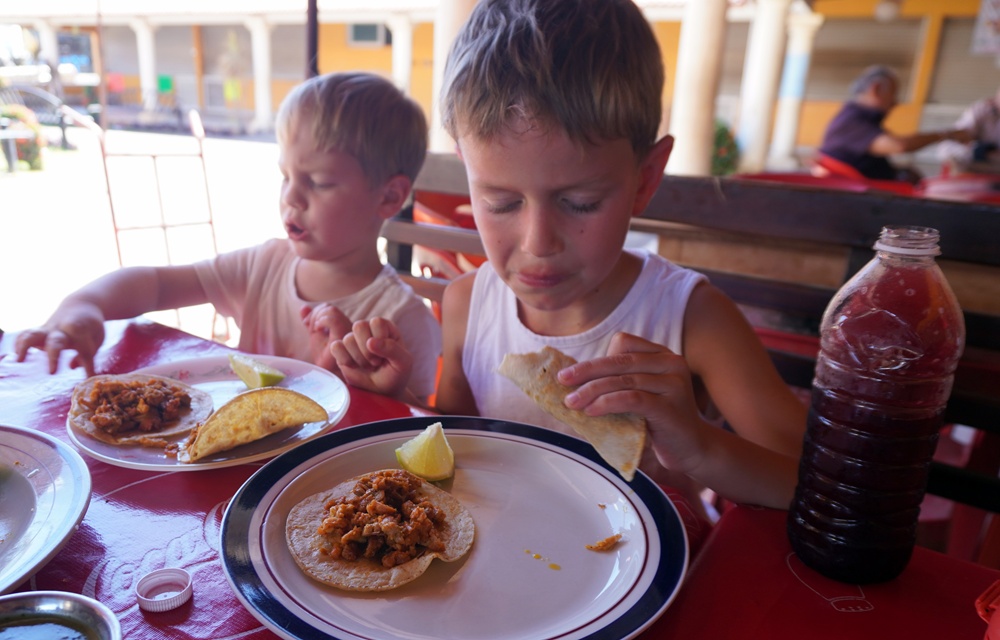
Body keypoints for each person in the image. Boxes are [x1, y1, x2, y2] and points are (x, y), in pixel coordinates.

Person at [329, 0, 808, 515]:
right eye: (501, 202)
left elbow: (821, 489)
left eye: (581, 202)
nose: (538, 243)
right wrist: (397, 397)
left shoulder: (692, 319)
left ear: (644, 179)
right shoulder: (468, 304)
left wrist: (700, 447)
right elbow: (459, 446)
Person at [15, 71, 442, 403]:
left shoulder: (403, 321)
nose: (291, 197)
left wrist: (373, 384)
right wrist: (84, 307)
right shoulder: (263, 266)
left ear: (389, 197)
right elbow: (156, 283)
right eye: (286, 176)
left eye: (318, 182)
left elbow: (411, 432)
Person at [818, 65, 973, 183]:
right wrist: (946, 135)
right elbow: (899, 146)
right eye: (893, 94)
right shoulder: (851, 121)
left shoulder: (860, 117)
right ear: (876, 89)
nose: (895, 103)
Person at [937, 87, 1000, 174]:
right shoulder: (983, 109)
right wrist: (977, 151)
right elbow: (948, 145)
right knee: (950, 150)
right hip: (976, 166)